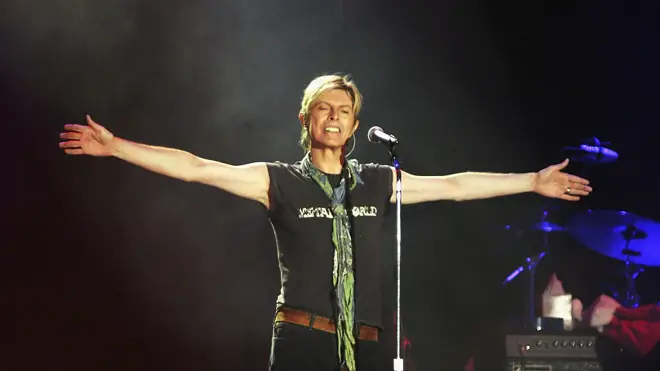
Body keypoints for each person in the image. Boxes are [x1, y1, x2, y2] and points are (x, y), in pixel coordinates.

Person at [59, 74, 592, 371]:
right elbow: (197, 168)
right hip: (301, 340)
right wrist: (117, 149)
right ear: (305, 119)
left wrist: (530, 181)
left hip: (367, 344)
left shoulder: (380, 180)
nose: (334, 116)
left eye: (343, 110)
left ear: (356, 125)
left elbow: (455, 186)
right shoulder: (278, 180)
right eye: (323, 108)